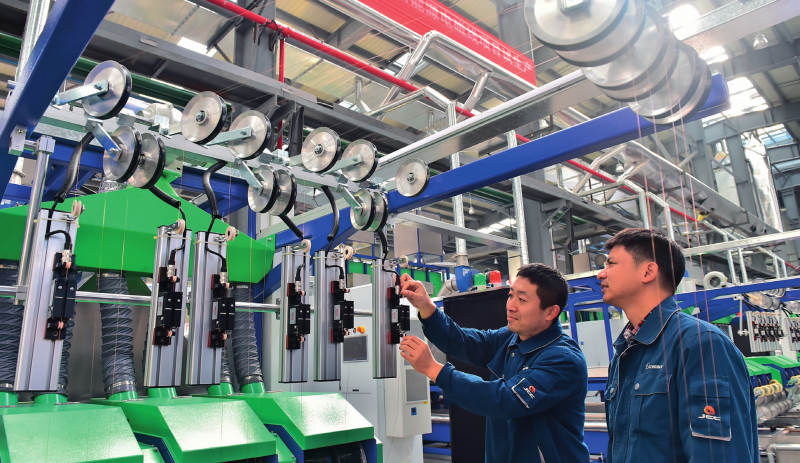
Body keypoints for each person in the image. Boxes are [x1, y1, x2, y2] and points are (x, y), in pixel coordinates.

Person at [398, 263, 589, 463]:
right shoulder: (510, 338)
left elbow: (503, 400)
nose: (510, 306)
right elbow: (464, 341)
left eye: (522, 299)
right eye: (511, 295)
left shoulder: (563, 359)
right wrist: (426, 307)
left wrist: (433, 369)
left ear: (551, 312)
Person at [598, 228, 757, 462]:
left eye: (611, 264)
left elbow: (719, 456)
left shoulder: (700, 343)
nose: (601, 274)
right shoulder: (625, 351)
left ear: (648, 271)